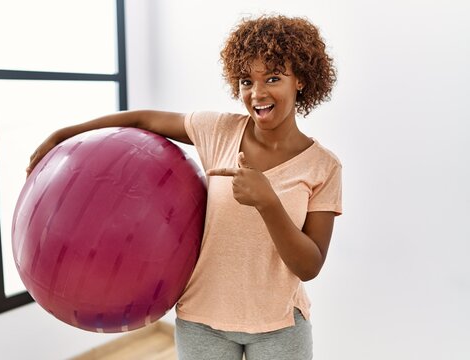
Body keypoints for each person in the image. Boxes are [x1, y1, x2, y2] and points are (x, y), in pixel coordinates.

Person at [27, 15, 341, 360]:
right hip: (202, 321)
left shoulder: (323, 166)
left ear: (301, 80)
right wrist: (64, 134)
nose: (257, 93)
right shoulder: (219, 131)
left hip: (280, 327)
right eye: (246, 81)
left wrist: (268, 203)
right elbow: (143, 120)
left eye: (273, 78)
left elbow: (310, 266)